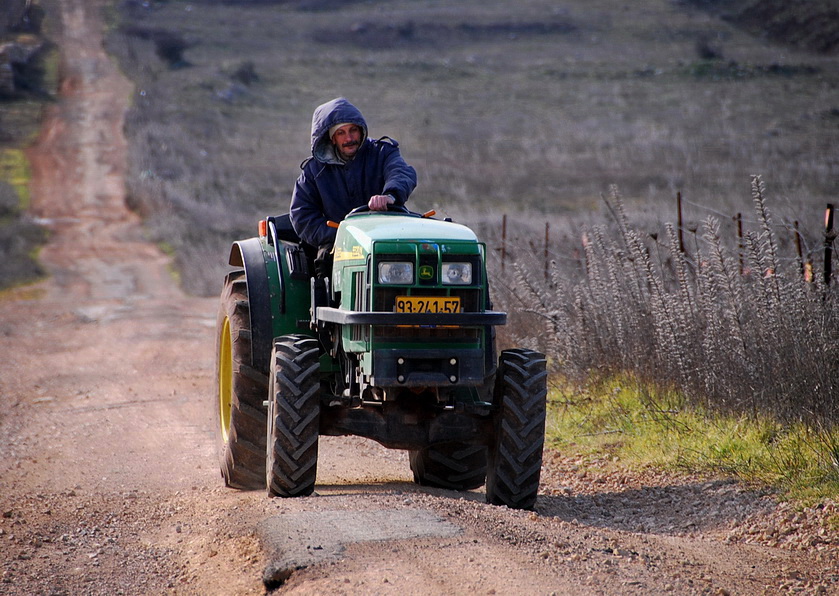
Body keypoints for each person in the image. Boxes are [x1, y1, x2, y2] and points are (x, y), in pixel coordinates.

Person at [289, 97, 418, 276]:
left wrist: (390, 195)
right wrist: (341, 234)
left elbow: (401, 173)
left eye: (353, 130)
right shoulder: (313, 172)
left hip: (386, 235)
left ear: (361, 130)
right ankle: (327, 303)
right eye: (341, 133)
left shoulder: (383, 152)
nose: (349, 138)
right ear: (331, 138)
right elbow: (302, 216)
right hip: (337, 243)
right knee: (324, 261)